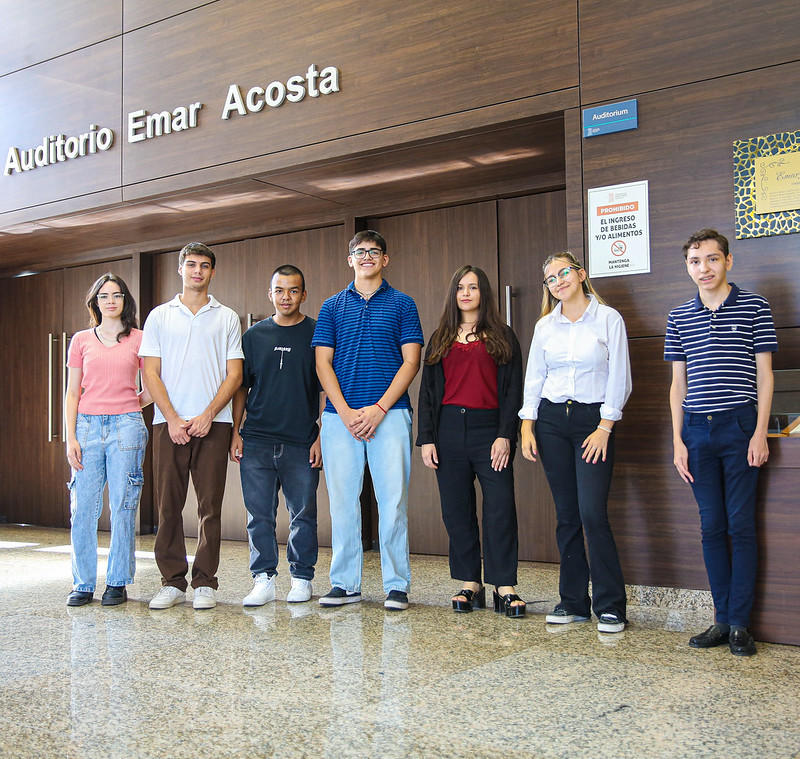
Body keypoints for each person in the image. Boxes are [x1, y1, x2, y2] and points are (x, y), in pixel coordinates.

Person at [665, 228, 776, 656]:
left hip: (739, 425)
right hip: (695, 430)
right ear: (687, 267)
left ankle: (740, 626)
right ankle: (720, 620)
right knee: (711, 527)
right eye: (695, 261)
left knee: (741, 525)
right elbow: (678, 384)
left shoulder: (755, 305)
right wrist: (677, 440)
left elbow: (765, 375)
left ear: (728, 261)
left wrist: (759, 431)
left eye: (712, 259)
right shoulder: (679, 315)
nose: (703, 268)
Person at [519, 252, 631, 633]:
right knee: (566, 515)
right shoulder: (545, 327)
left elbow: (620, 376)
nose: (558, 281)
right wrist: (526, 425)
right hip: (551, 422)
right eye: (550, 278)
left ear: (580, 274)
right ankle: (573, 602)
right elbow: (535, 377)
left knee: (592, 513)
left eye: (563, 272)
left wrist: (605, 426)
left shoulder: (607, 318)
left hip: (592, 422)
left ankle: (611, 604)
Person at [312, 230, 423, 611]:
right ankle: (345, 583)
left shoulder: (403, 304)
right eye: (360, 252)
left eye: (374, 252)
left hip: (390, 416)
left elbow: (411, 361)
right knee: (342, 504)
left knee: (393, 503)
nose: (366, 257)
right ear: (350, 260)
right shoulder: (331, 306)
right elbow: (322, 363)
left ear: (385, 260)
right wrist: (343, 412)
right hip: (338, 419)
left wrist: (378, 409)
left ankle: (397, 584)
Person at [140, 242, 244, 610]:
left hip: (214, 424)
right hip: (168, 425)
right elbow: (150, 372)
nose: (197, 270)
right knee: (168, 506)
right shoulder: (159, 316)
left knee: (209, 507)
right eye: (191, 264)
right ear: (180, 269)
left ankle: (205, 582)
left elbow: (235, 375)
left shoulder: (227, 317)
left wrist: (207, 415)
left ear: (212, 272)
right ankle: (171, 581)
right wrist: (172, 418)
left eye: (204, 265)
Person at [417, 265, 525, 616]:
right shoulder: (440, 337)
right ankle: (469, 582)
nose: (466, 293)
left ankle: (504, 584)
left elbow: (513, 394)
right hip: (448, 431)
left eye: (473, 287)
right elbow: (428, 393)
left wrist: (505, 435)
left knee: (500, 507)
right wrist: (428, 438)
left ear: (484, 293)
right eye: (461, 287)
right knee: (457, 510)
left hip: (489, 431)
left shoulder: (503, 336)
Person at [229, 265, 324, 606]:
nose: (286, 297)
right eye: (280, 290)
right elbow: (242, 388)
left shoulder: (317, 332)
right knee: (259, 515)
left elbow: (327, 389)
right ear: (270, 294)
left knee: (303, 514)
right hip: (256, 439)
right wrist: (236, 432)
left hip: (302, 440)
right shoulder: (253, 336)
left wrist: (320, 437)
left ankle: (301, 577)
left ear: (304, 294)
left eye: (293, 290)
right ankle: (263, 578)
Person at [64, 274, 152, 607]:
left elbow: (154, 385)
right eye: (104, 296)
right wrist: (70, 436)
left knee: (123, 506)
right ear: (95, 302)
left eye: (116, 295)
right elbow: (73, 392)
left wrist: (131, 405)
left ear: (125, 301)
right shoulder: (81, 340)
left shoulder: (140, 339)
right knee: (83, 509)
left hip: (126, 428)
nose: (110, 301)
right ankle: (82, 583)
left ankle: (117, 582)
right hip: (86, 428)